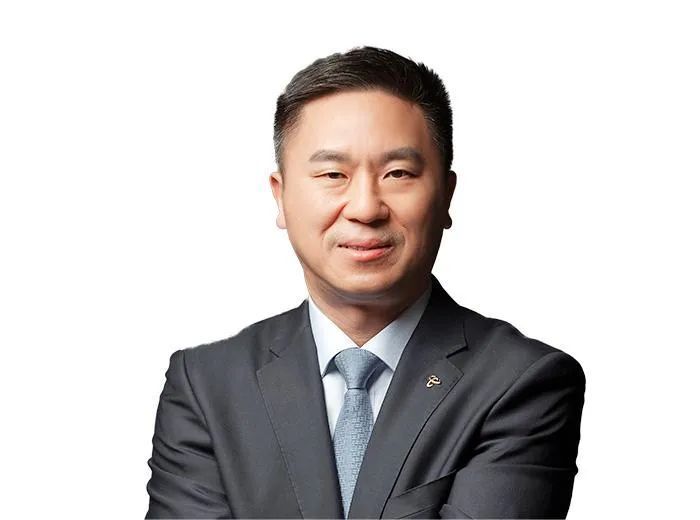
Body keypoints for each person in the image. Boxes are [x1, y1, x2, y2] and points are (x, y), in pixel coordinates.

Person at [145, 46, 586, 519]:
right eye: (333, 174)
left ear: (446, 195)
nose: (365, 208)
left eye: (398, 173)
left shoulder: (521, 381)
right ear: (281, 195)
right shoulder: (206, 384)